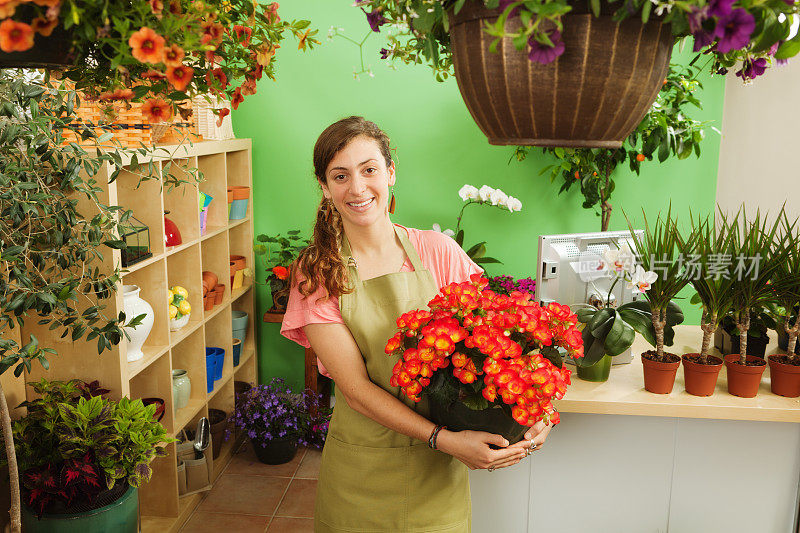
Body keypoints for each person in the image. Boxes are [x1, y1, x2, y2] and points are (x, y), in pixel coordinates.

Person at [280, 116, 553, 532]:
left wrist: (539, 411)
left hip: (437, 475)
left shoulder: (438, 251)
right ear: (324, 186)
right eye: (340, 175)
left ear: (390, 173)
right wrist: (444, 439)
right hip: (363, 472)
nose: (357, 188)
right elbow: (355, 391)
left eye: (369, 169)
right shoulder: (317, 274)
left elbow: (506, 336)